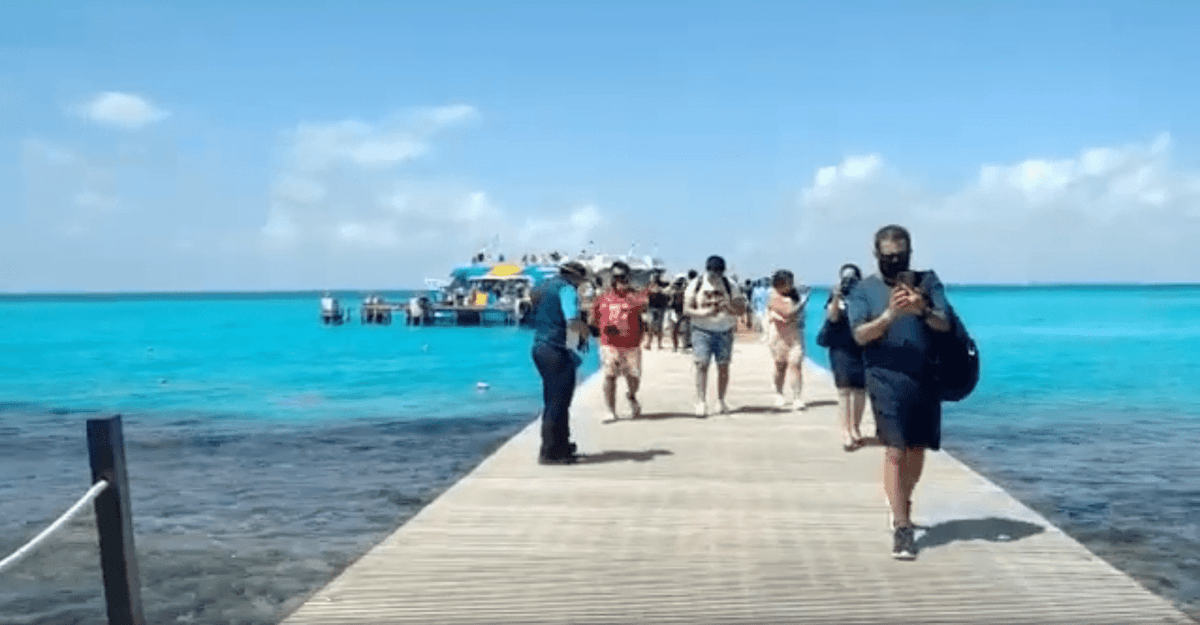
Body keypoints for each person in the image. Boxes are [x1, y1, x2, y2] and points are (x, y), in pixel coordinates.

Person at [846, 225, 952, 560]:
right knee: (894, 449)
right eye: (888, 256)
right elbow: (860, 335)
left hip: (924, 377)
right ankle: (903, 528)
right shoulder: (863, 290)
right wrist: (890, 314)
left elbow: (945, 323)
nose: (895, 261)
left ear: (910, 253)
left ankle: (902, 501)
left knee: (917, 449)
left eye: (901, 255)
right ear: (876, 255)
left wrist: (922, 309)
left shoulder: (928, 282)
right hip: (884, 377)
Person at [530, 261, 592, 465]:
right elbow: (571, 319)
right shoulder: (567, 289)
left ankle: (562, 446)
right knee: (559, 402)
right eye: (581, 281)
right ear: (576, 277)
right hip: (556, 349)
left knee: (553, 399)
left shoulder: (544, 287)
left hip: (540, 347)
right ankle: (550, 452)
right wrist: (580, 338)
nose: (581, 285)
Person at [684, 255, 744, 416]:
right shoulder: (696, 284)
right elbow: (686, 309)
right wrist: (703, 313)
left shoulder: (730, 285)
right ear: (707, 270)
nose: (716, 277)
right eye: (712, 274)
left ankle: (721, 400)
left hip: (724, 330)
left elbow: (741, 309)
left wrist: (729, 307)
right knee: (701, 364)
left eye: (719, 274)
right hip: (701, 329)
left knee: (723, 366)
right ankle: (701, 402)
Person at [591, 261, 649, 421]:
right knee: (610, 375)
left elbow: (644, 313)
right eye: (616, 276)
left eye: (622, 277)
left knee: (634, 378)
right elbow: (594, 319)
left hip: (632, 344)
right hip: (610, 343)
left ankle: (631, 395)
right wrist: (604, 328)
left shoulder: (636, 297)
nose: (619, 280)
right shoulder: (603, 298)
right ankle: (611, 410)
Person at [822, 264, 867, 450]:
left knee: (860, 390)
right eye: (846, 279)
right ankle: (845, 432)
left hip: (862, 346)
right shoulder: (835, 296)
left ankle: (855, 427)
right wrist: (837, 296)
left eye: (853, 278)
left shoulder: (866, 296)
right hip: (840, 347)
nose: (850, 282)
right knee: (844, 390)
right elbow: (832, 317)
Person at [765, 269, 810, 410]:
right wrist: (796, 308)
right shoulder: (773, 295)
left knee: (796, 365)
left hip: (794, 336)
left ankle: (797, 397)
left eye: (790, 283)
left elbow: (795, 316)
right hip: (778, 337)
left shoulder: (795, 296)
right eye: (786, 283)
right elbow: (786, 313)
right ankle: (779, 394)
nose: (789, 286)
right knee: (780, 367)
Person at [644, 275, 670, 350]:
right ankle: (651, 344)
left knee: (657, 327)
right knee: (652, 326)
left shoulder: (661, 285)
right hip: (654, 308)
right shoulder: (650, 285)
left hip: (659, 308)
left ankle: (656, 344)